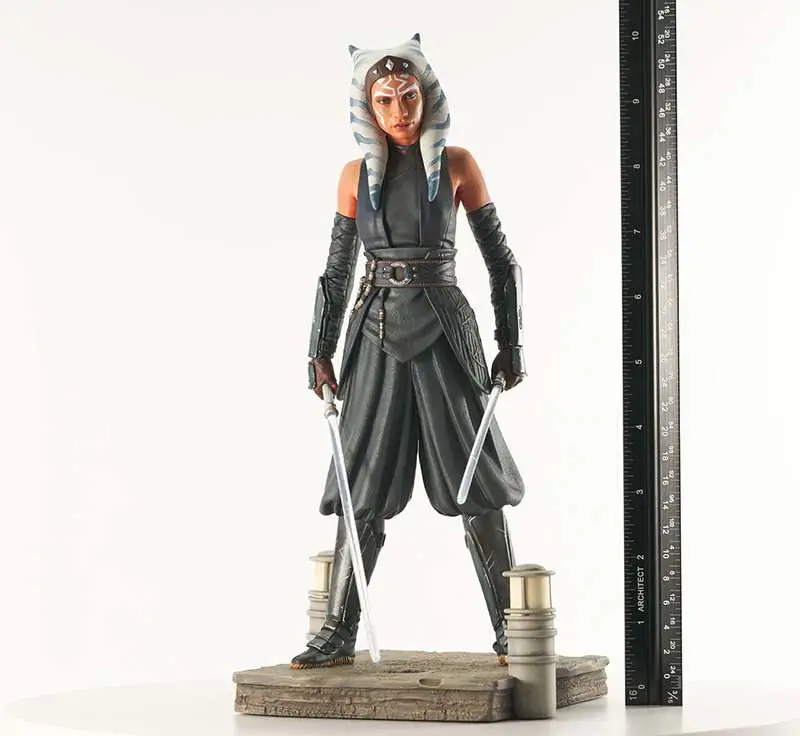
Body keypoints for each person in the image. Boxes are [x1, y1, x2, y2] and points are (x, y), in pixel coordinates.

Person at [292, 34, 527, 669]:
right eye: (385, 100)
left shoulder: (458, 165)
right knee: (361, 481)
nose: (400, 111)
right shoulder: (353, 177)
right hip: (373, 334)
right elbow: (336, 272)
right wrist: (319, 351)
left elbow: (501, 261)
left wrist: (511, 342)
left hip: (446, 331)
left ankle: (512, 627)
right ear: (367, 107)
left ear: (428, 96)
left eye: (409, 96)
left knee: (474, 478)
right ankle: (337, 630)